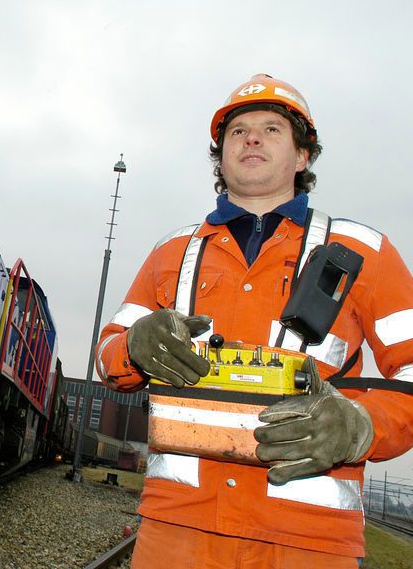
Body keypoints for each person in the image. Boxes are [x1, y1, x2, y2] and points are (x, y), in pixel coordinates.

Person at [95, 74, 413, 568]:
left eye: (271, 129)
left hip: (308, 542)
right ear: (221, 157)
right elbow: (108, 354)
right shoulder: (171, 252)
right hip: (177, 530)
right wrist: (135, 345)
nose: (252, 139)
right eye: (239, 131)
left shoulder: (362, 252)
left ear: (302, 156)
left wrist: (362, 425)